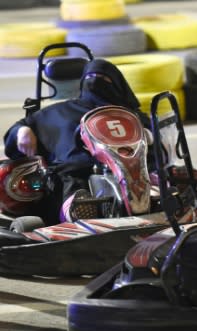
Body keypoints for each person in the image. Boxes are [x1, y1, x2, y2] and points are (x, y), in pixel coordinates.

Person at [3, 58, 152, 225]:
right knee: (71, 177)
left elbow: (160, 147)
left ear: (117, 84)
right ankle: (77, 209)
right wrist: (22, 131)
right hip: (77, 172)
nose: (96, 82)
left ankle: (155, 202)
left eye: (104, 79)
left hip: (133, 171)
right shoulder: (61, 111)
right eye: (91, 77)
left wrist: (147, 134)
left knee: (156, 173)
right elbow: (24, 126)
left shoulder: (131, 116)